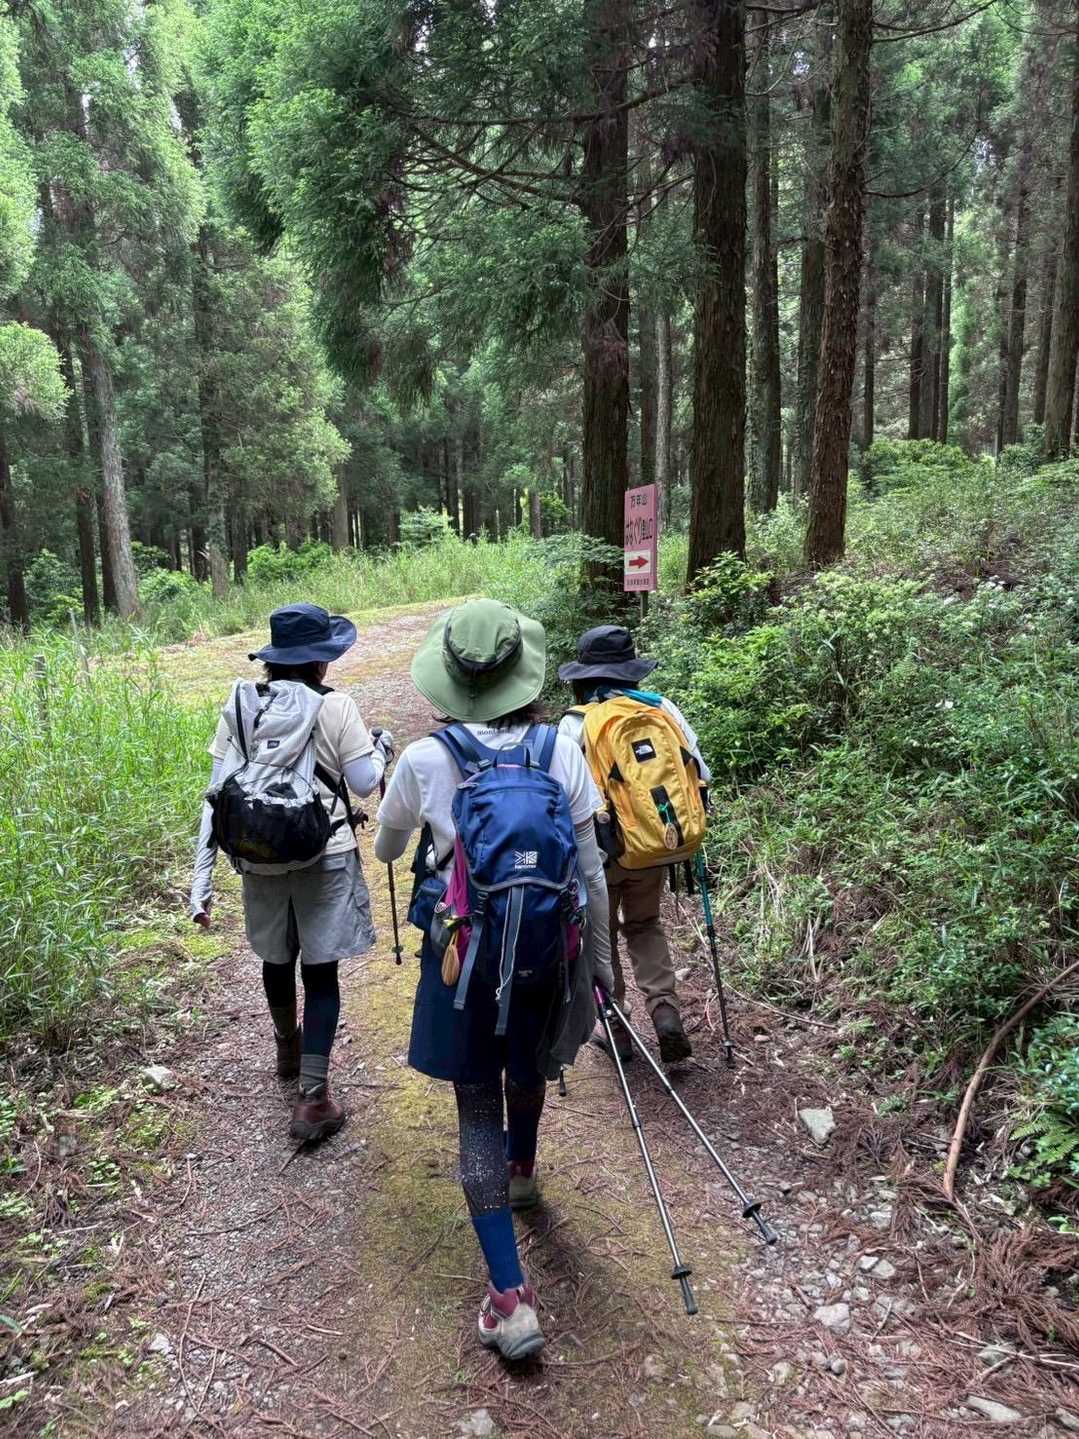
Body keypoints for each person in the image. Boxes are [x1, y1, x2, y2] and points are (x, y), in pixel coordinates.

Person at [374, 599, 613, 1362]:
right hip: (547, 949)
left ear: (449, 679)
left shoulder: (424, 759)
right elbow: (590, 874)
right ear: (522, 675)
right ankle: (522, 1170)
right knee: (529, 1062)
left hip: (462, 961)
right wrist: (600, 966)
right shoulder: (558, 749)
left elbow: (386, 848)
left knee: (476, 1103)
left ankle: (509, 1299)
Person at [189, 602, 393, 1143]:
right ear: (321, 661)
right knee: (320, 973)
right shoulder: (336, 706)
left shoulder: (241, 705)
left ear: (274, 659)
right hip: (325, 850)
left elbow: (216, 792)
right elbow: (365, 781)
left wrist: (200, 882)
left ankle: (287, 1047)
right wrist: (381, 749)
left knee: (276, 957)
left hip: (257, 850)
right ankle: (313, 1097)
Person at [558, 624, 711, 1066]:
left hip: (598, 853)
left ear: (584, 676)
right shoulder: (661, 708)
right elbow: (701, 774)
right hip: (655, 843)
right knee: (645, 924)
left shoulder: (574, 723)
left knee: (600, 935)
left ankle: (616, 1024)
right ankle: (664, 1011)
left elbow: (562, 796)